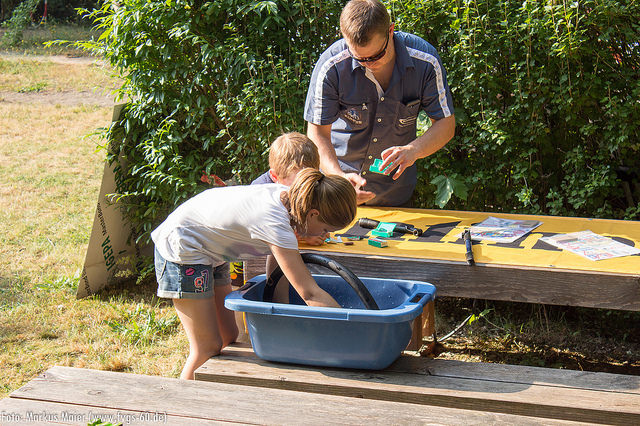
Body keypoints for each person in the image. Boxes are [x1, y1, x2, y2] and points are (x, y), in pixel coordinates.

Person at [151, 168, 357, 379]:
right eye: (325, 229)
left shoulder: (293, 202)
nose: (326, 235)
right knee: (206, 347)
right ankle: (181, 405)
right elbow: (310, 294)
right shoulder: (275, 222)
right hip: (183, 246)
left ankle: (211, 394)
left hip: (211, 248)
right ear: (313, 213)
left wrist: (284, 327)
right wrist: (352, 333)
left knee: (228, 336)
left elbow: (275, 281)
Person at [304, 0, 456, 206]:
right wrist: (339, 177)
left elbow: (445, 124)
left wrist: (414, 150)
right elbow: (317, 134)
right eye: (359, 59)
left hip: (395, 195)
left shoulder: (425, 62)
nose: (369, 64)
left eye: (376, 55)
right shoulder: (331, 65)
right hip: (337, 194)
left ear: (391, 31)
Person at [251, 132, 320, 186]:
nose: (303, 191)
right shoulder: (258, 192)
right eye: (295, 186)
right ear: (274, 176)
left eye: (309, 183)